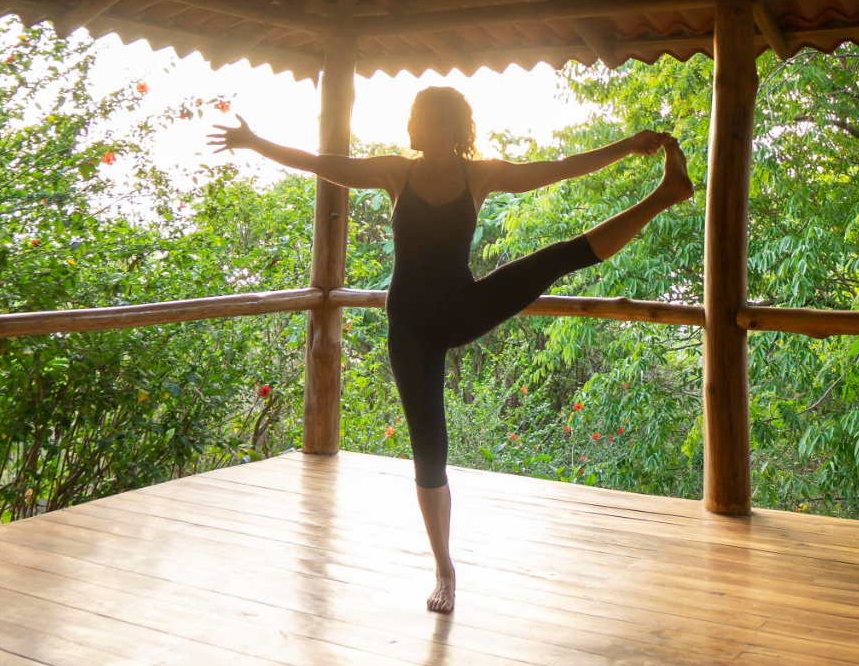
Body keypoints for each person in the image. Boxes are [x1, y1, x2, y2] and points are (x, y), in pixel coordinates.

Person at [210, 86, 691, 612]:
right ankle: (444, 570)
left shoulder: (478, 175)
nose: (410, 124)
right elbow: (323, 163)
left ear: (443, 124)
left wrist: (627, 146)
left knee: (557, 257)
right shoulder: (396, 172)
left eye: (417, 115)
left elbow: (558, 168)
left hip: (463, 308)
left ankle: (665, 195)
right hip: (410, 329)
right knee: (429, 449)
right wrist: (256, 143)